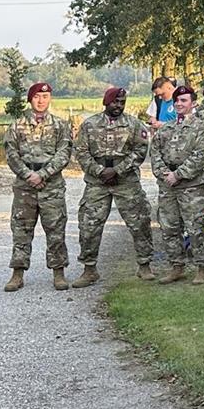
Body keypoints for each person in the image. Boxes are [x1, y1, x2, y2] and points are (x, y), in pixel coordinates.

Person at [72, 87, 155, 287]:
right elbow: (81, 152)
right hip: (97, 182)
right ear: (106, 102)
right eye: (115, 102)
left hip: (126, 181)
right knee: (89, 225)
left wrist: (117, 170)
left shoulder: (134, 124)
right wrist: (99, 171)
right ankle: (89, 269)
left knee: (139, 222)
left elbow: (140, 151)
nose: (118, 105)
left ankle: (144, 265)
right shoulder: (90, 124)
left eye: (122, 102)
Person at [2, 82, 73, 292]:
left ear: (50, 99)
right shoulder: (16, 126)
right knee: (21, 230)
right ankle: (17, 273)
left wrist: (42, 174)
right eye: (37, 97)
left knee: (56, 229)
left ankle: (58, 273)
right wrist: (28, 175)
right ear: (30, 99)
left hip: (52, 186)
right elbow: (11, 155)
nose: (41, 101)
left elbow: (64, 153)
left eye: (45, 97)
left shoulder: (60, 125)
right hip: (25, 187)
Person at [149, 85, 204, 285]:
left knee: (196, 228)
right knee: (169, 227)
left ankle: (202, 268)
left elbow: (200, 156)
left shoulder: (201, 128)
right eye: (176, 100)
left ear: (193, 103)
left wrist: (178, 175)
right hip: (168, 185)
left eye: (184, 100)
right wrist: (165, 174)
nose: (179, 104)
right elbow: (155, 152)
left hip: (192, 186)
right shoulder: (166, 128)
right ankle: (177, 266)